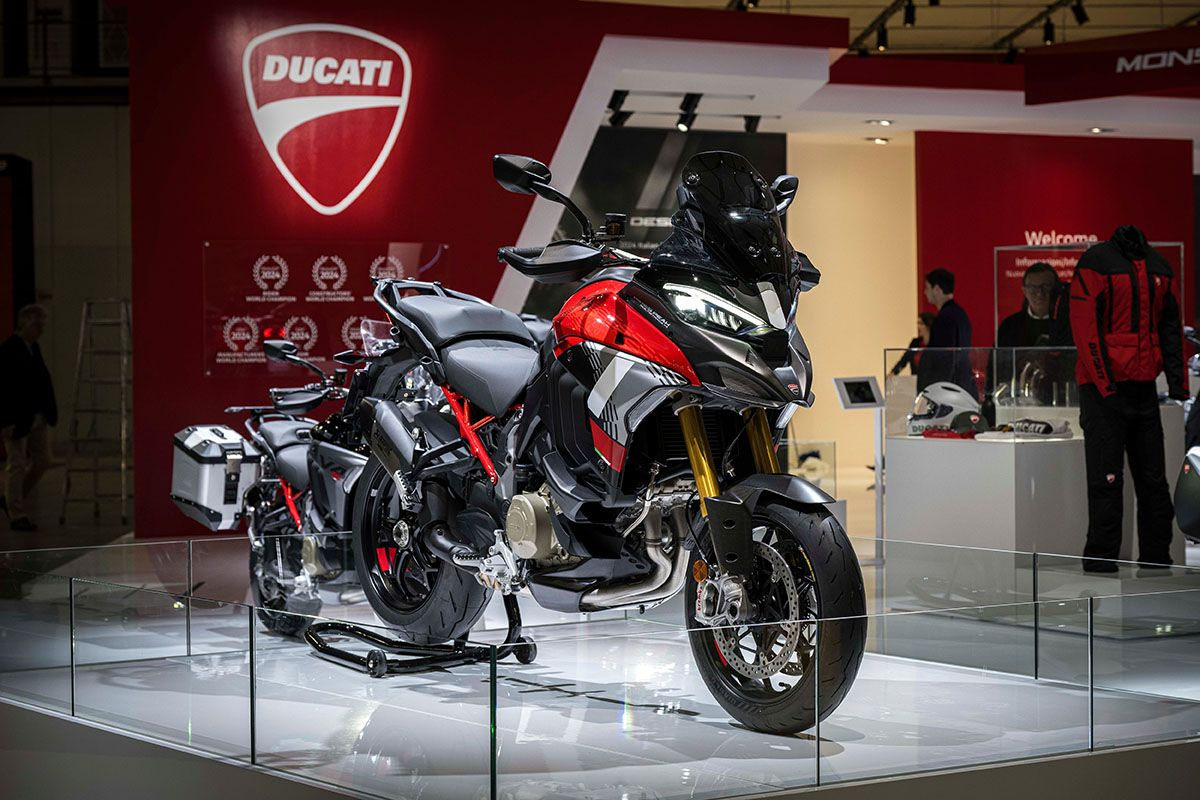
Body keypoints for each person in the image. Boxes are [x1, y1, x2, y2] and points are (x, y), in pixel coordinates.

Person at [1069, 225, 1185, 573]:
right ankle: (1102, 560)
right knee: (1108, 478)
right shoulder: (1097, 263)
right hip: (1102, 390)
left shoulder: (1158, 266)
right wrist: (1105, 384)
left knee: (1152, 480)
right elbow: (1085, 328)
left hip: (1141, 386)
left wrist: (1177, 384)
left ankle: (1156, 559)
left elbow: (1170, 326)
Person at [0, 305, 57, 531]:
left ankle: (12, 499)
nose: (41, 330)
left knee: (43, 460)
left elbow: (41, 380)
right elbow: (4, 388)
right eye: (37, 325)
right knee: (16, 463)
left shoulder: (34, 348)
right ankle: (16, 512)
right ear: (24, 323)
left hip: (34, 415)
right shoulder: (9, 349)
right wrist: (5, 421)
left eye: (42, 325)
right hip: (17, 417)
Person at [918, 268, 975, 396]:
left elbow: (943, 359)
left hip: (949, 389)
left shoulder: (944, 318)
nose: (925, 292)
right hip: (962, 385)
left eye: (927, 288)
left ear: (937, 289)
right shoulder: (960, 314)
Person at [997, 262, 1057, 348]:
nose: (1039, 293)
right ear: (1024, 291)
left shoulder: (1067, 324)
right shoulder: (1009, 326)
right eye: (1033, 287)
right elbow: (997, 356)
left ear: (1056, 289)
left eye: (1046, 286)